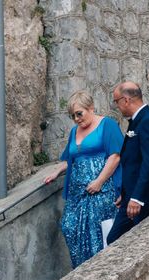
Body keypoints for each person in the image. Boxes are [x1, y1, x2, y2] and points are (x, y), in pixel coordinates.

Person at [44, 90, 123, 268]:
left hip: (100, 192)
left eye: (79, 113)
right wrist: (57, 171)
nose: (77, 119)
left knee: (96, 233)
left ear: (91, 108)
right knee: (69, 226)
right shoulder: (74, 132)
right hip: (77, 193)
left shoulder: (107, 125)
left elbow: (115, 156)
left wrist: (99, 181)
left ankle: (98, 271)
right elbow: (71, 159)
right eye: (73, 116)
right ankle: (81, 269)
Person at [106, 81, 149, 244]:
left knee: (144, 243)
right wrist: (126, 193)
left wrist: (137, 198)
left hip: (145, 200)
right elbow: (133, 161)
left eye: (116, 101)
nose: (117, 107)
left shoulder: (148, 121)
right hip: (131, 197)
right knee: (114, 239)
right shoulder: (137, 120)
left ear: (126, 100)